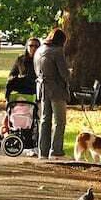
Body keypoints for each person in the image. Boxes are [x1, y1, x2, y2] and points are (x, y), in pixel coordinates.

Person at [34, 28, 70, 159]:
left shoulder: (39, 50)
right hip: (56, 89)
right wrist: (70, 73)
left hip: (42, 88)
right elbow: (64, 74)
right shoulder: (57, 51)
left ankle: (42, 151)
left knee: (45, 120)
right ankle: (56, 150)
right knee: (59, 121)